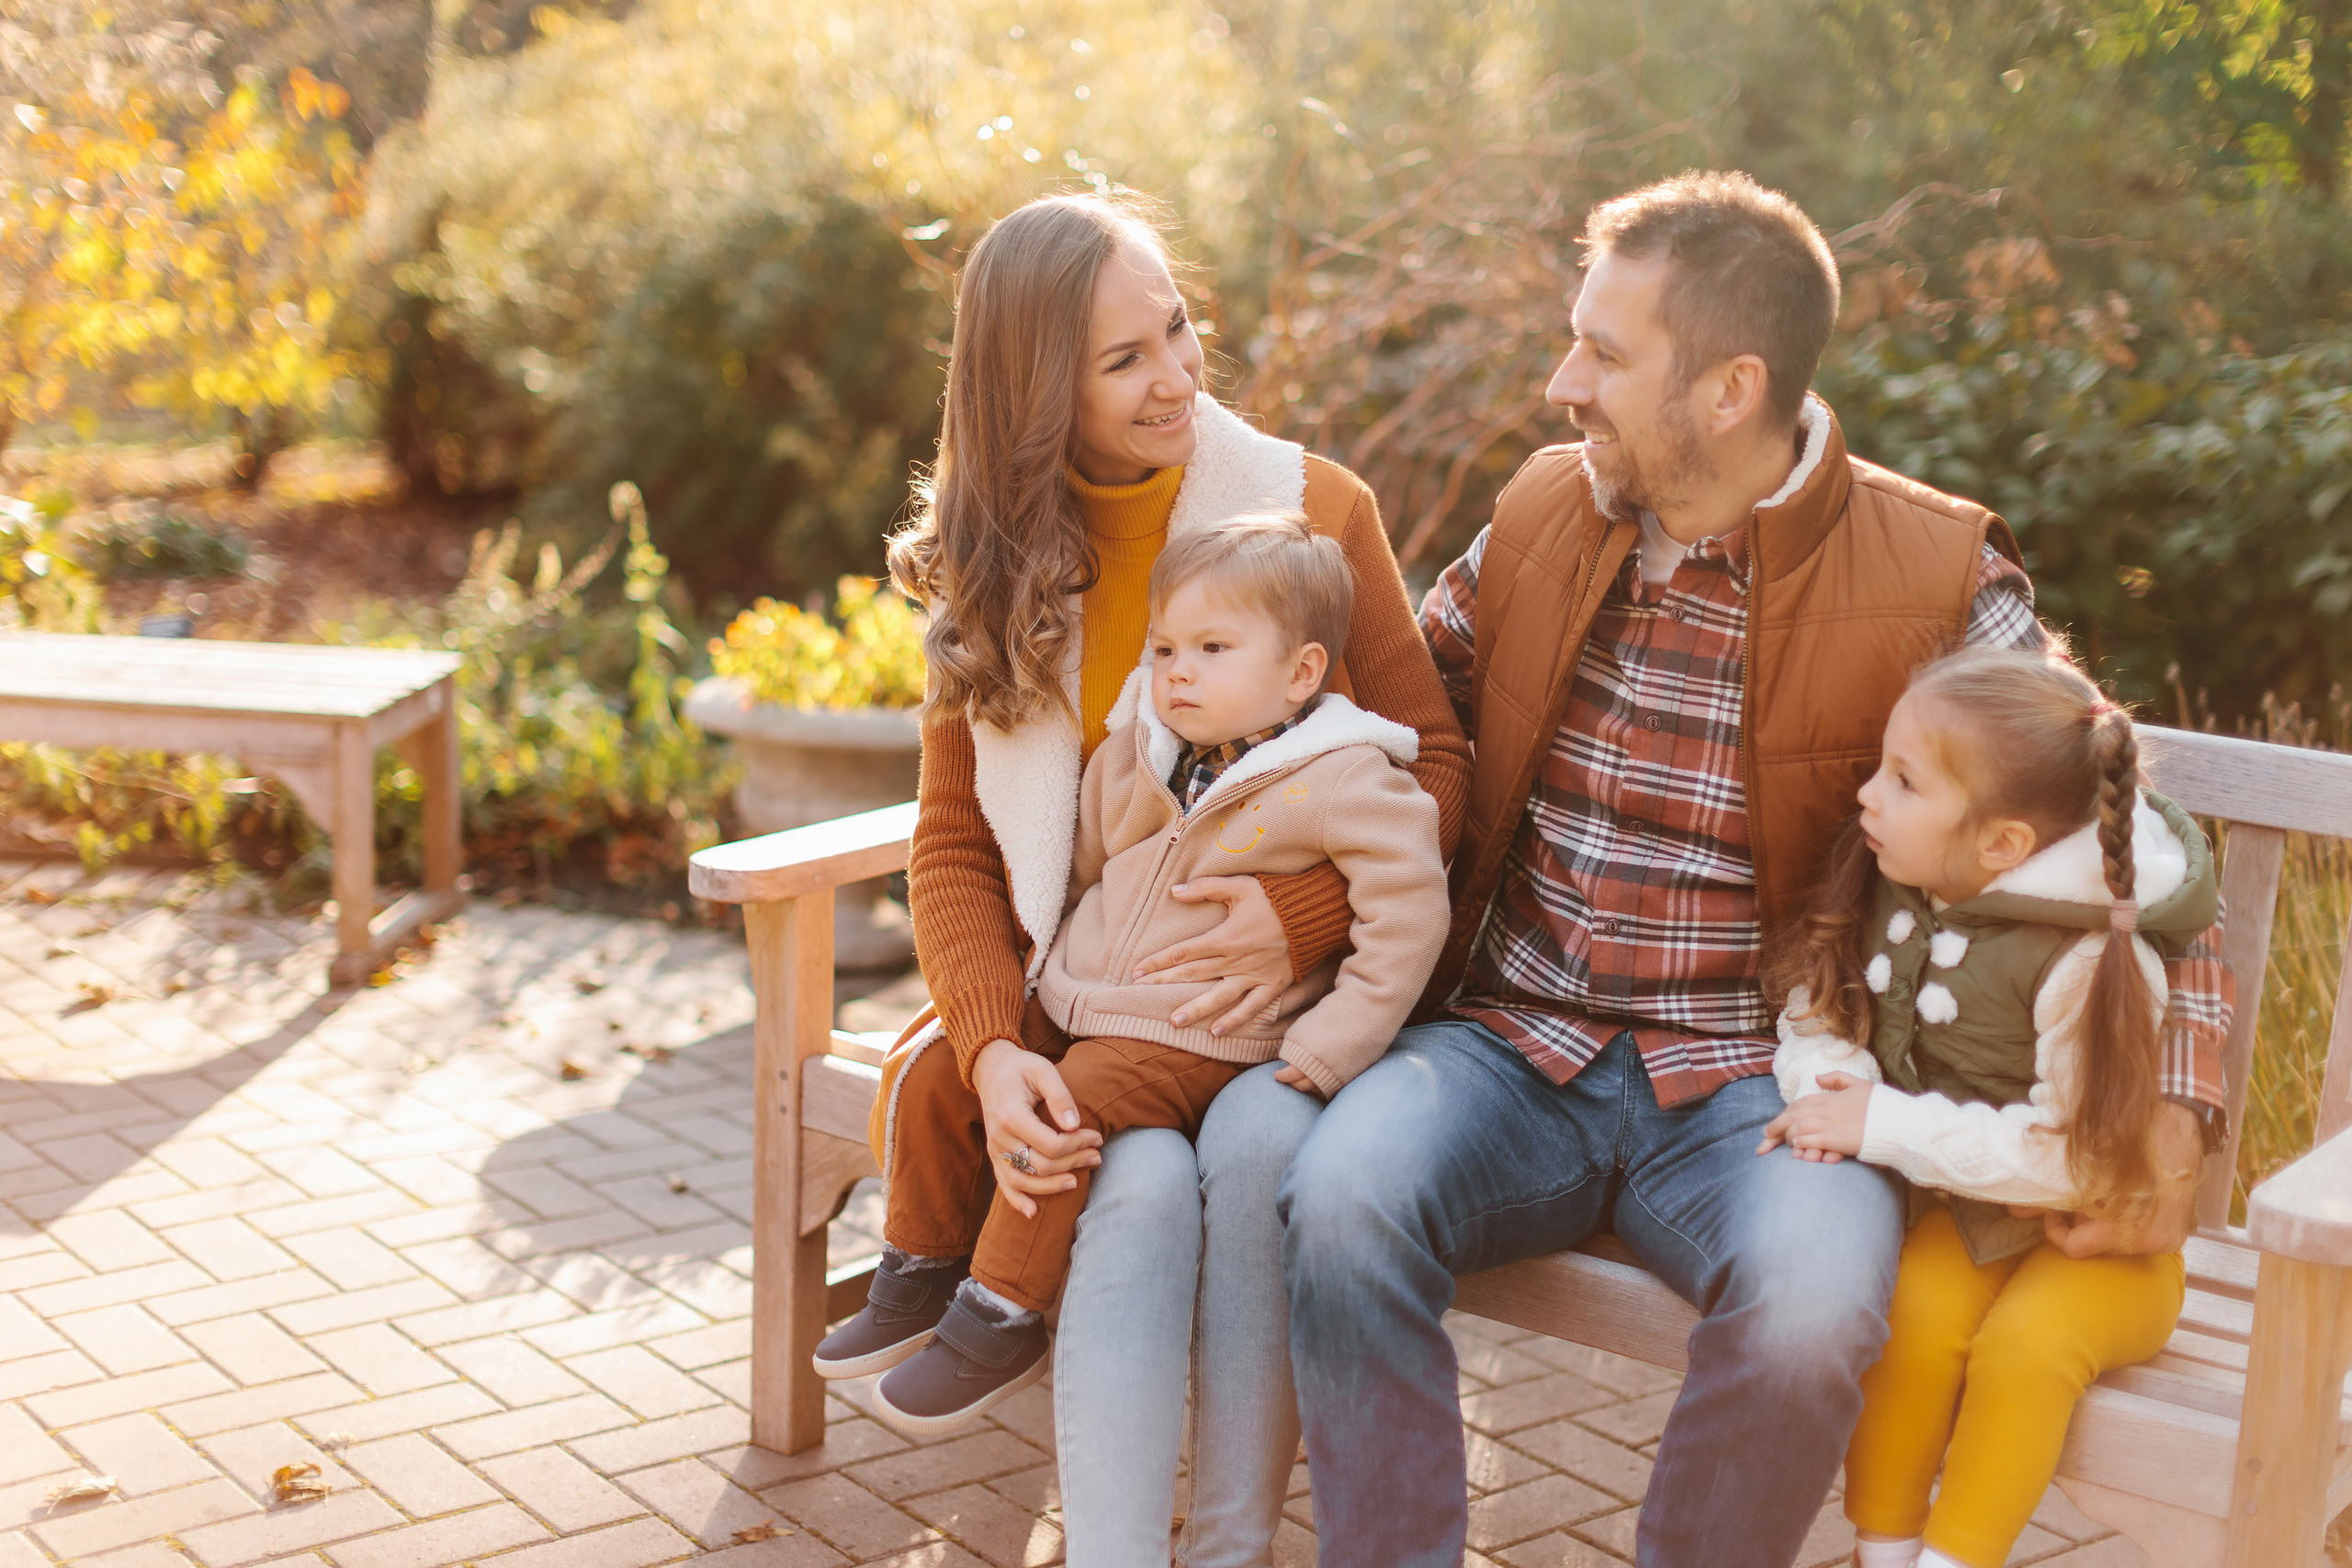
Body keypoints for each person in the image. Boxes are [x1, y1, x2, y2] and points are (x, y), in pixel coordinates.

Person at [1274, 169, 2232, 1568]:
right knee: (1342, 1194)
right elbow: (1407, 735)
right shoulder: (1548, 509)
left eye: (1605, 354)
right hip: (1505, 1041)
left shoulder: (1937, 574)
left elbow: (2118, 835)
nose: (1562, 385)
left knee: (1814, 1308)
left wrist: (2178, 1114)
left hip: (1770, 1080)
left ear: (1729, 388)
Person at [868, 194, 1470, 1562]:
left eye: (1180, 329)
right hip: (1088, 1003)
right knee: (1122, 1179)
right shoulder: (994, 566)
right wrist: (986, 1044)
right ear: (1036, 394)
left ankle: (1231, 1537)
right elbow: (958, 843)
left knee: (1240, 1150)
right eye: (1125, 360)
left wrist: (1299, 912)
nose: (1180, 376)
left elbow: (1433, 761)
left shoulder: (1311, 510)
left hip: (1290, 1008)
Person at [821, 513, 1451, 1437]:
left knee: (1065, 1110)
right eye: (1163, 647)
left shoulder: (1351, 779)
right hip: (1082, 996)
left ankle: (1000, 1314)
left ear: (1300, 672)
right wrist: (1032, 985)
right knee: (934, 1069)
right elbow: (1078, 870)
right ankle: (920, 1262)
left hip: (1201, 1030)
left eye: (1211, 648)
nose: (1176, 671)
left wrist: (1332, 1043)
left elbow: (1408, 916)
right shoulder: (1140, 750)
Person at [1758, 646, 2210, 1568]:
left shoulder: (2088, 959)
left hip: (2106, 1244)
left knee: (2025, 1350)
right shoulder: (1901, 880)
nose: (1866, 796)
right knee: (1910, 1316)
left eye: (1902, 781)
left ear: (2002, 843)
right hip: (1969, 1220)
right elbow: (1816, 1004)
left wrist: (1882, 1124)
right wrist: (1826, 1086)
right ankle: (1881, 1552)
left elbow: (2081, 1162)